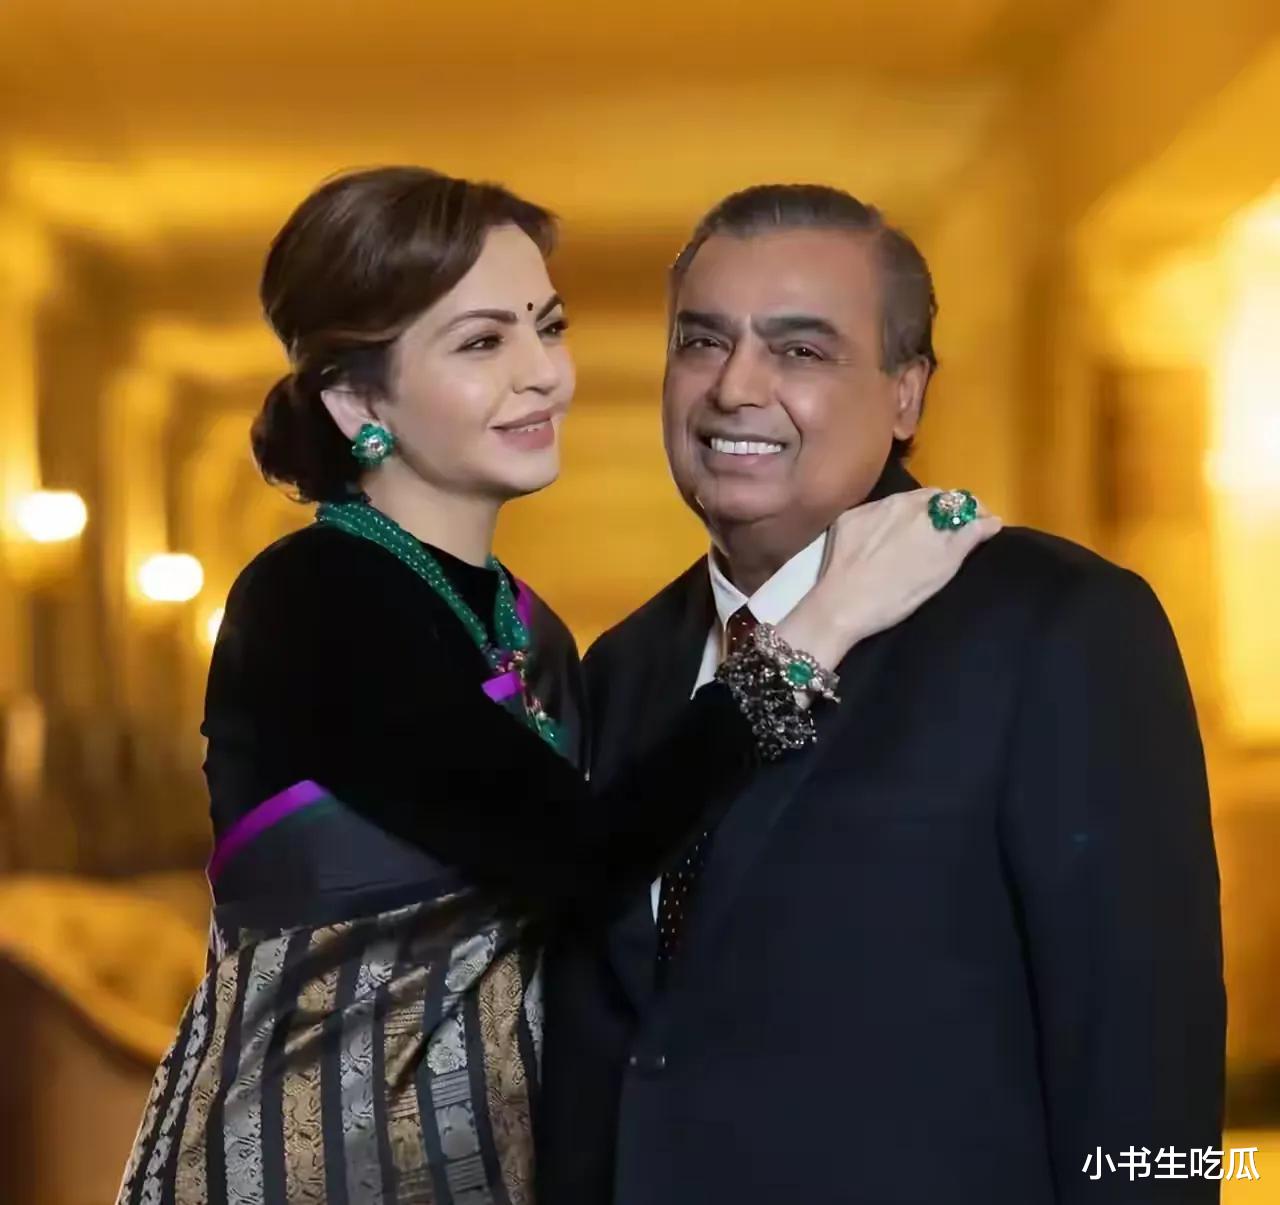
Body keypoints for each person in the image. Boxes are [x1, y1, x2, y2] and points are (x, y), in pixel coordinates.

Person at [115, 168, 996, 1205]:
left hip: (491, 1169)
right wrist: (820, 625)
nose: (542, 375)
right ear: (357, 399)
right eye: (482, 343)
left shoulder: (528, 624)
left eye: (547, 326)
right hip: (302, 1171)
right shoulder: (312, 599)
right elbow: (581, 856)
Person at [539, 184, 1226, 1205]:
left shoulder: (1055, 626)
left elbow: (1144, 1058)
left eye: (800, 349)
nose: (734, 386)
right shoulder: (620, 666)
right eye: (702, 341)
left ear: (906, 394)